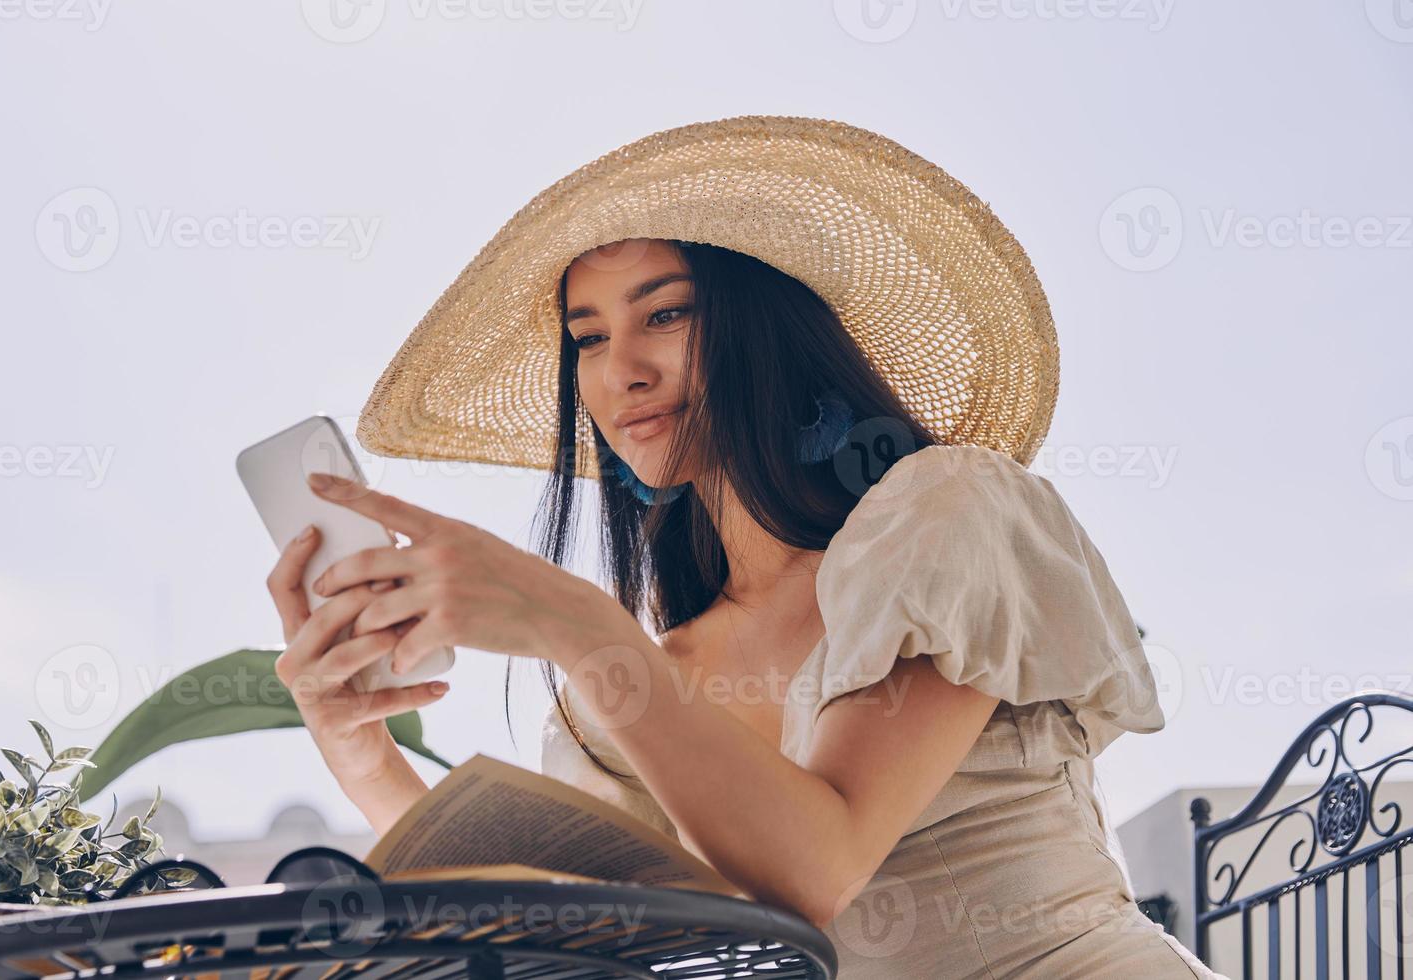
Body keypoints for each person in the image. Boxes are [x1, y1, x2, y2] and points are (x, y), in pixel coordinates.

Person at [264, 116, 1227, 978]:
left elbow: (816, 869)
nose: (621, 373)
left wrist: (575, 623)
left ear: (764, 320)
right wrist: (362, 755)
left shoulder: (948, 513)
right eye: (586, 338)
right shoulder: (646, 683)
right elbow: (565, 934)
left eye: (667, 314)